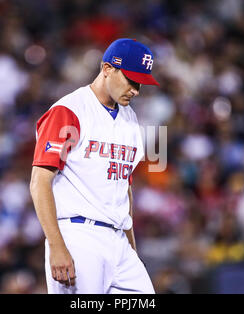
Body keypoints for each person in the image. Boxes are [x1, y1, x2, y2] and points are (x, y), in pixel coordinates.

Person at [29, 38, 159, 294]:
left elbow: (124, 189)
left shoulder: (130, 119)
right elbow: (39, 181)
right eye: (131, 80)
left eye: (140, 83)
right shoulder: (69, 111)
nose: (136, 90)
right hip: (78, 235)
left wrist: (131, 249)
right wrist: (56, 245)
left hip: (118, 240)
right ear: (107, 68)